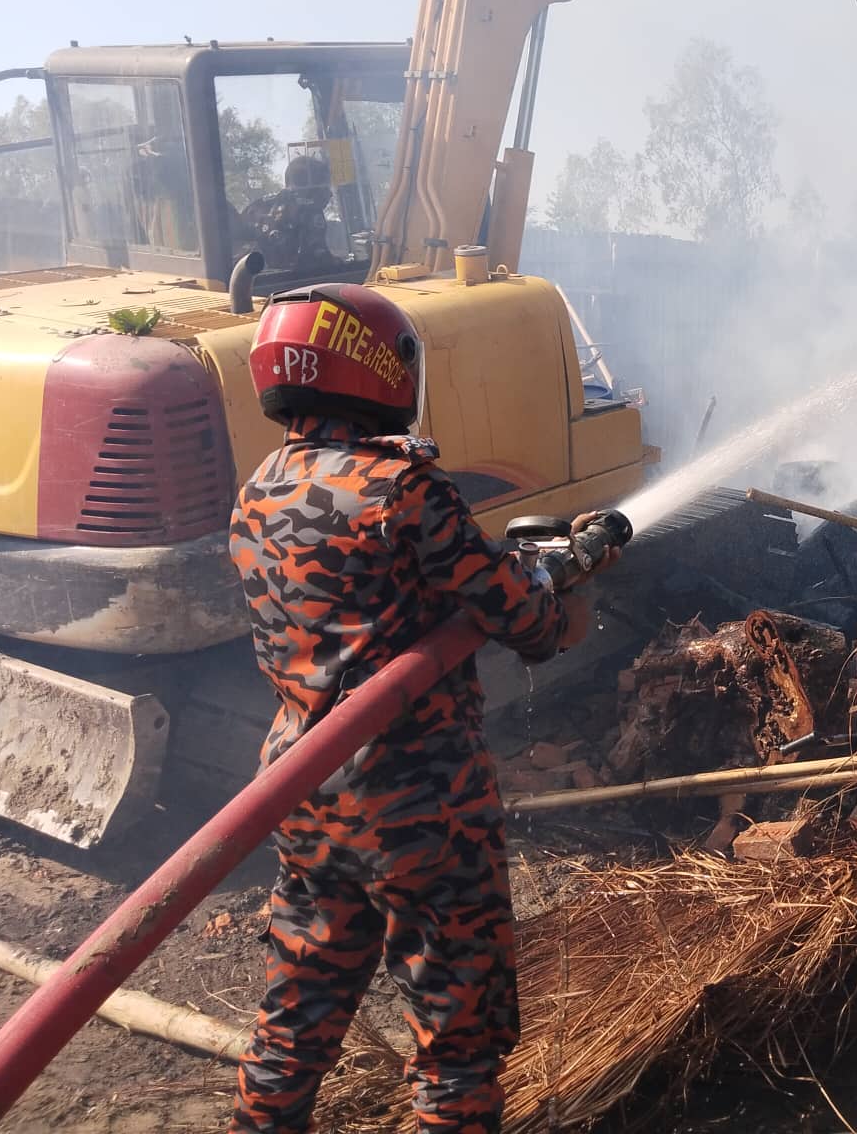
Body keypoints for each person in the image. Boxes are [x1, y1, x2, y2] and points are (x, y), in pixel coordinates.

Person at [228, 282, 614, 1133]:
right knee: (456, 1037)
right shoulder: (403, 487)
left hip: (303, 788)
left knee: (297, 1015)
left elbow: (375, 604)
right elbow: (530, 622)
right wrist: (572, 575)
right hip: (419, 805)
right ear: (376, 369)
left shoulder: (257, 491)